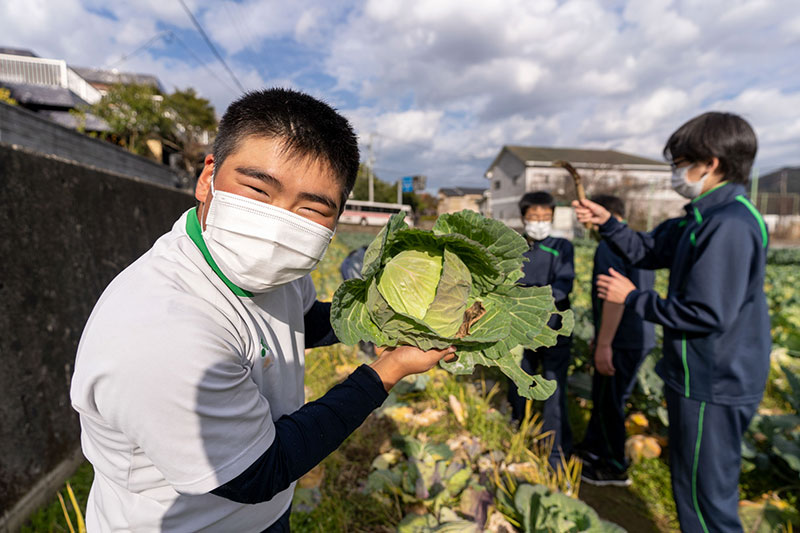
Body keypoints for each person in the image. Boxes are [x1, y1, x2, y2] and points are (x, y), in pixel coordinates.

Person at [70, 88, 455, 532]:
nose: (278, 223)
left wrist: (375, 319)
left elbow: (303, 320)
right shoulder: (160, 328)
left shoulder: (282, 270)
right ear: (207, 176)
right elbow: (257, 472)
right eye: (257, 189)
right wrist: (388, 370)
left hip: (264, 514)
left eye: (311, 208)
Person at [574, 111, 769, 533]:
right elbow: (648, 250)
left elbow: (707, 313)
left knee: (704, 501)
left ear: (711, 162)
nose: (676, 171)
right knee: (693, 485)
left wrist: (634, 298)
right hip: (699, 376)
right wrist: (609, 225)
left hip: (714, 381)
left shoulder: (729, 225)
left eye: (680, 161)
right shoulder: (700, 219)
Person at [576, 194, 656, 487]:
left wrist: (605, 343)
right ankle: (594, 449)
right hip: (637, 335)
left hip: (622, 337)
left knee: (610, 402)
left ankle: (614, 466)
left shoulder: (610, 246)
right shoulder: (637, 243)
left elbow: (614, 300)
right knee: (605, 396)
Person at [507, 191, 575, 468]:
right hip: (519, 327)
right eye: (534, 217)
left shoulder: (562, 246)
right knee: (519, 377)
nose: (539, 222)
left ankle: (555, 450)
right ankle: (518, 425)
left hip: (552, 328)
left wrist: (537, 301)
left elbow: (564, 284)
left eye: (545, 217)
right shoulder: (514, 246)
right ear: (524, 217)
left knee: (553, 386)